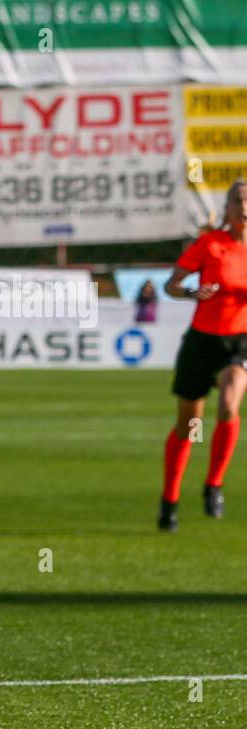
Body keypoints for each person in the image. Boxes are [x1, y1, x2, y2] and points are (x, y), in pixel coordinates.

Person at [157, 179, 247, 531]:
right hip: (202, 343)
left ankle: (214, 485)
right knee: (190, 428)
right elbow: (171, 284)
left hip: (239, 343)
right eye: (238, 200)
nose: (244, 206)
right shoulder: (211, 245)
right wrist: (191, 292)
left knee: (228, 405)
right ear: (226, 208)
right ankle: (170, 500)